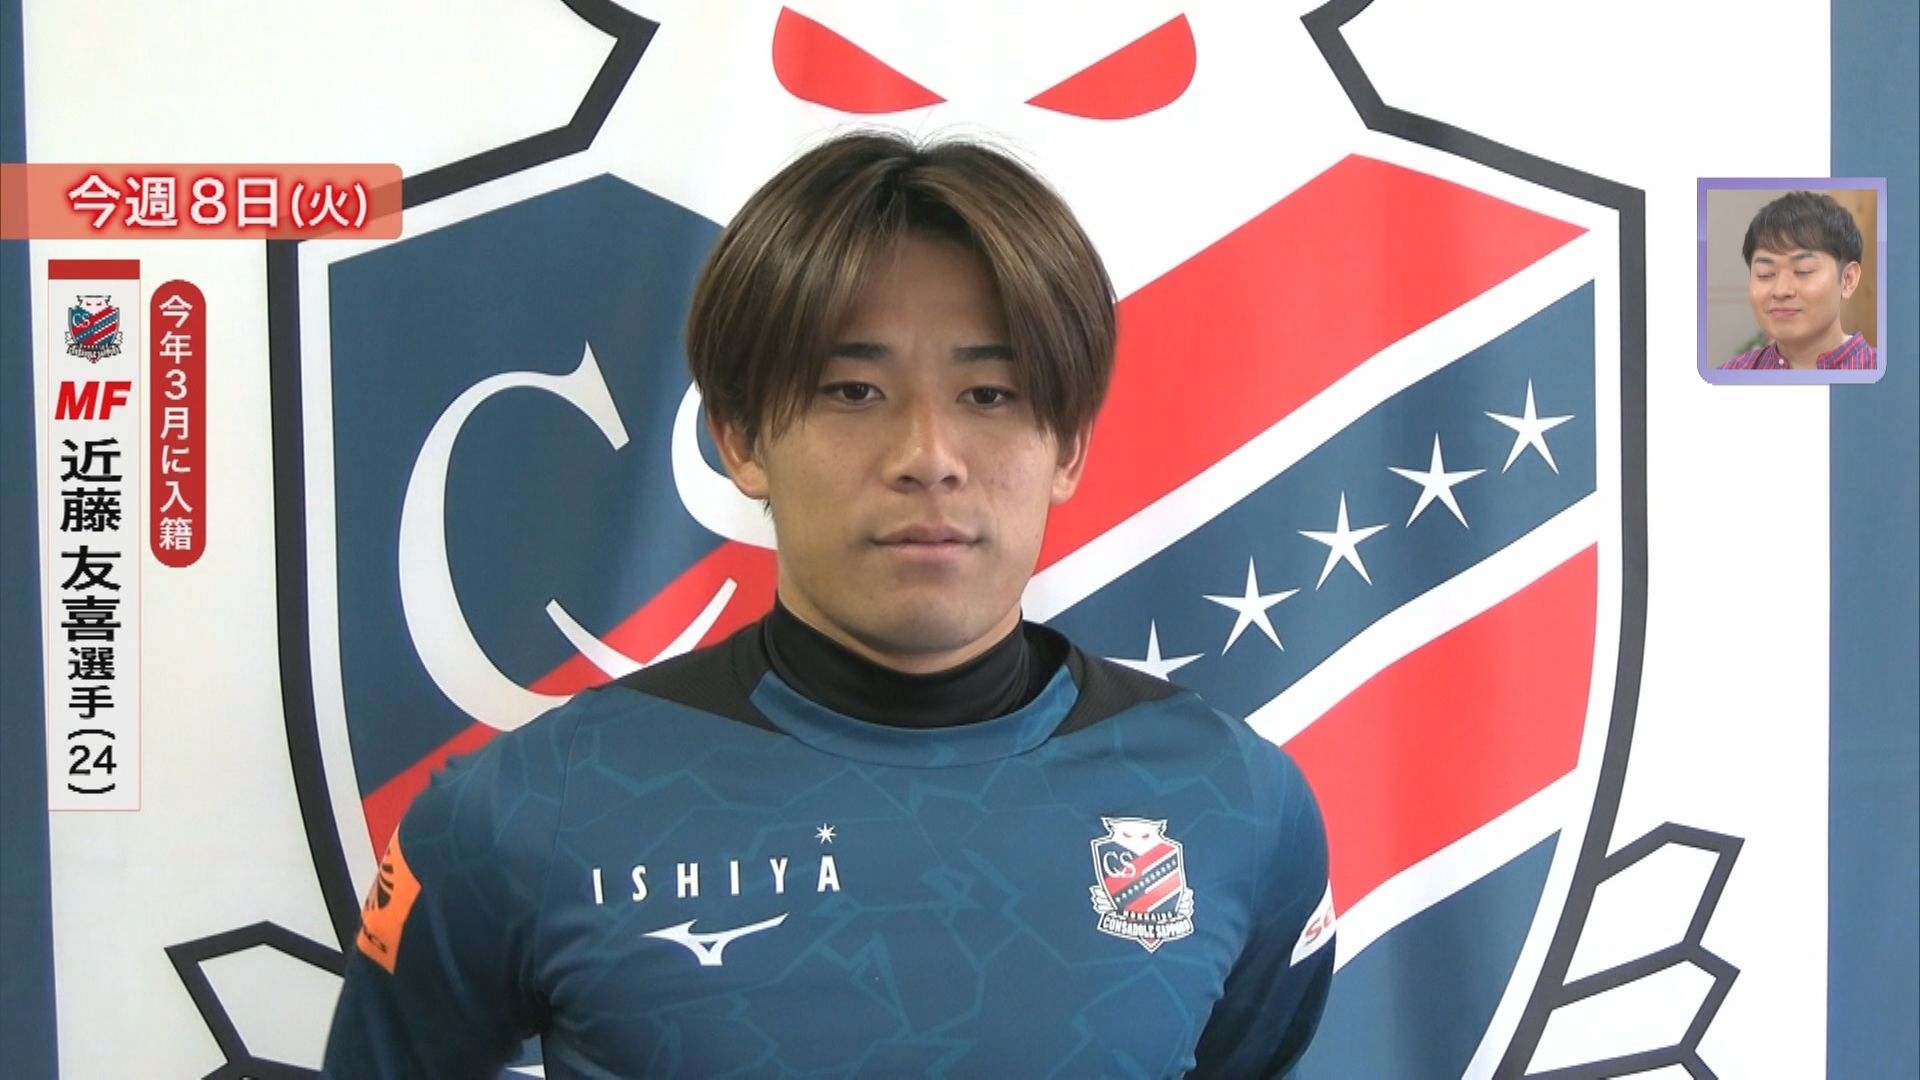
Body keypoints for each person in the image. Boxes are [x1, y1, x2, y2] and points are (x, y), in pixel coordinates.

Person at [323, 130, 1336, 1078]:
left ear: (1066, 446)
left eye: (989, 394)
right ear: (740, 438)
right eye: (854, 391)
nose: (928, 457)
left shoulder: (1236, 805)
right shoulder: (524, 812)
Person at [1720, 190, 1876, 371]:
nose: (1781, 291)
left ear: (1848, 280)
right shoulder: (1731, 374)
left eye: (1803, 271)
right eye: (1765, 274)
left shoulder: (1888, 374)